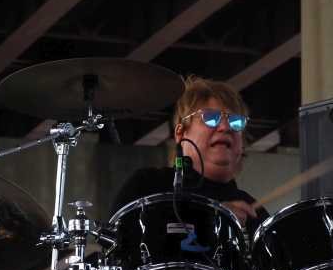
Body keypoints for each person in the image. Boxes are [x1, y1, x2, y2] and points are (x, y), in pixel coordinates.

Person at [109, 76, 268, 233]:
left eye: (236, 121)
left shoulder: (254, 214)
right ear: (180, 133)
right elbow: (116, 241)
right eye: (211, 117)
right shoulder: (147, 185)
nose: (225, 127)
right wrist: (207, 219)